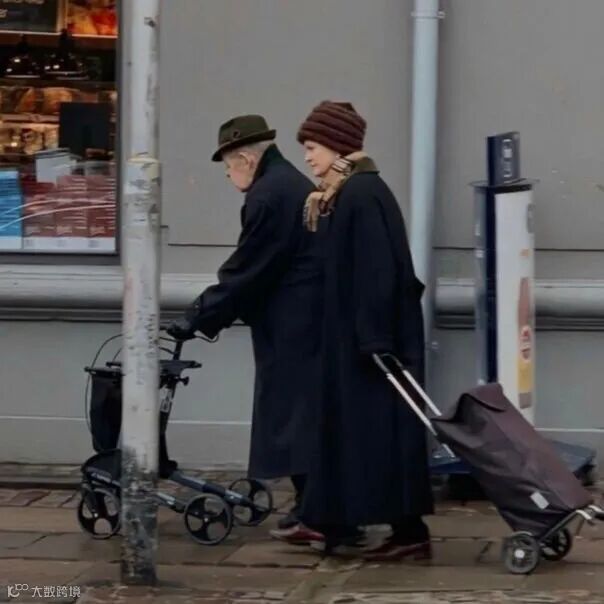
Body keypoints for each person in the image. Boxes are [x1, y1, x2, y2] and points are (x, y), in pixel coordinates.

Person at [273, 101, 434, 561]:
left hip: (368, 345)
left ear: (337, 145)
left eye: (312, 146)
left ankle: (404, 531)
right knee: (361, 436)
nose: (307, 156)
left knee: (376, 437)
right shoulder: (349, 191)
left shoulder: (359, 194)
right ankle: (335, 522)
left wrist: (374, 340)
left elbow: (376, 271)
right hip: (360, 340)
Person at [168, 115, 325, 534]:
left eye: (227, 165)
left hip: (293, 324)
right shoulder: (288, 184)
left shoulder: (268, 195)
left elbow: (249, 268)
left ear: (246, 159)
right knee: (298, 414)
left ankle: (316, 512)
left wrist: (198, 315)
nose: (227, 174)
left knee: (292, 416)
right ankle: (314, 508)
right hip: (303, 319)